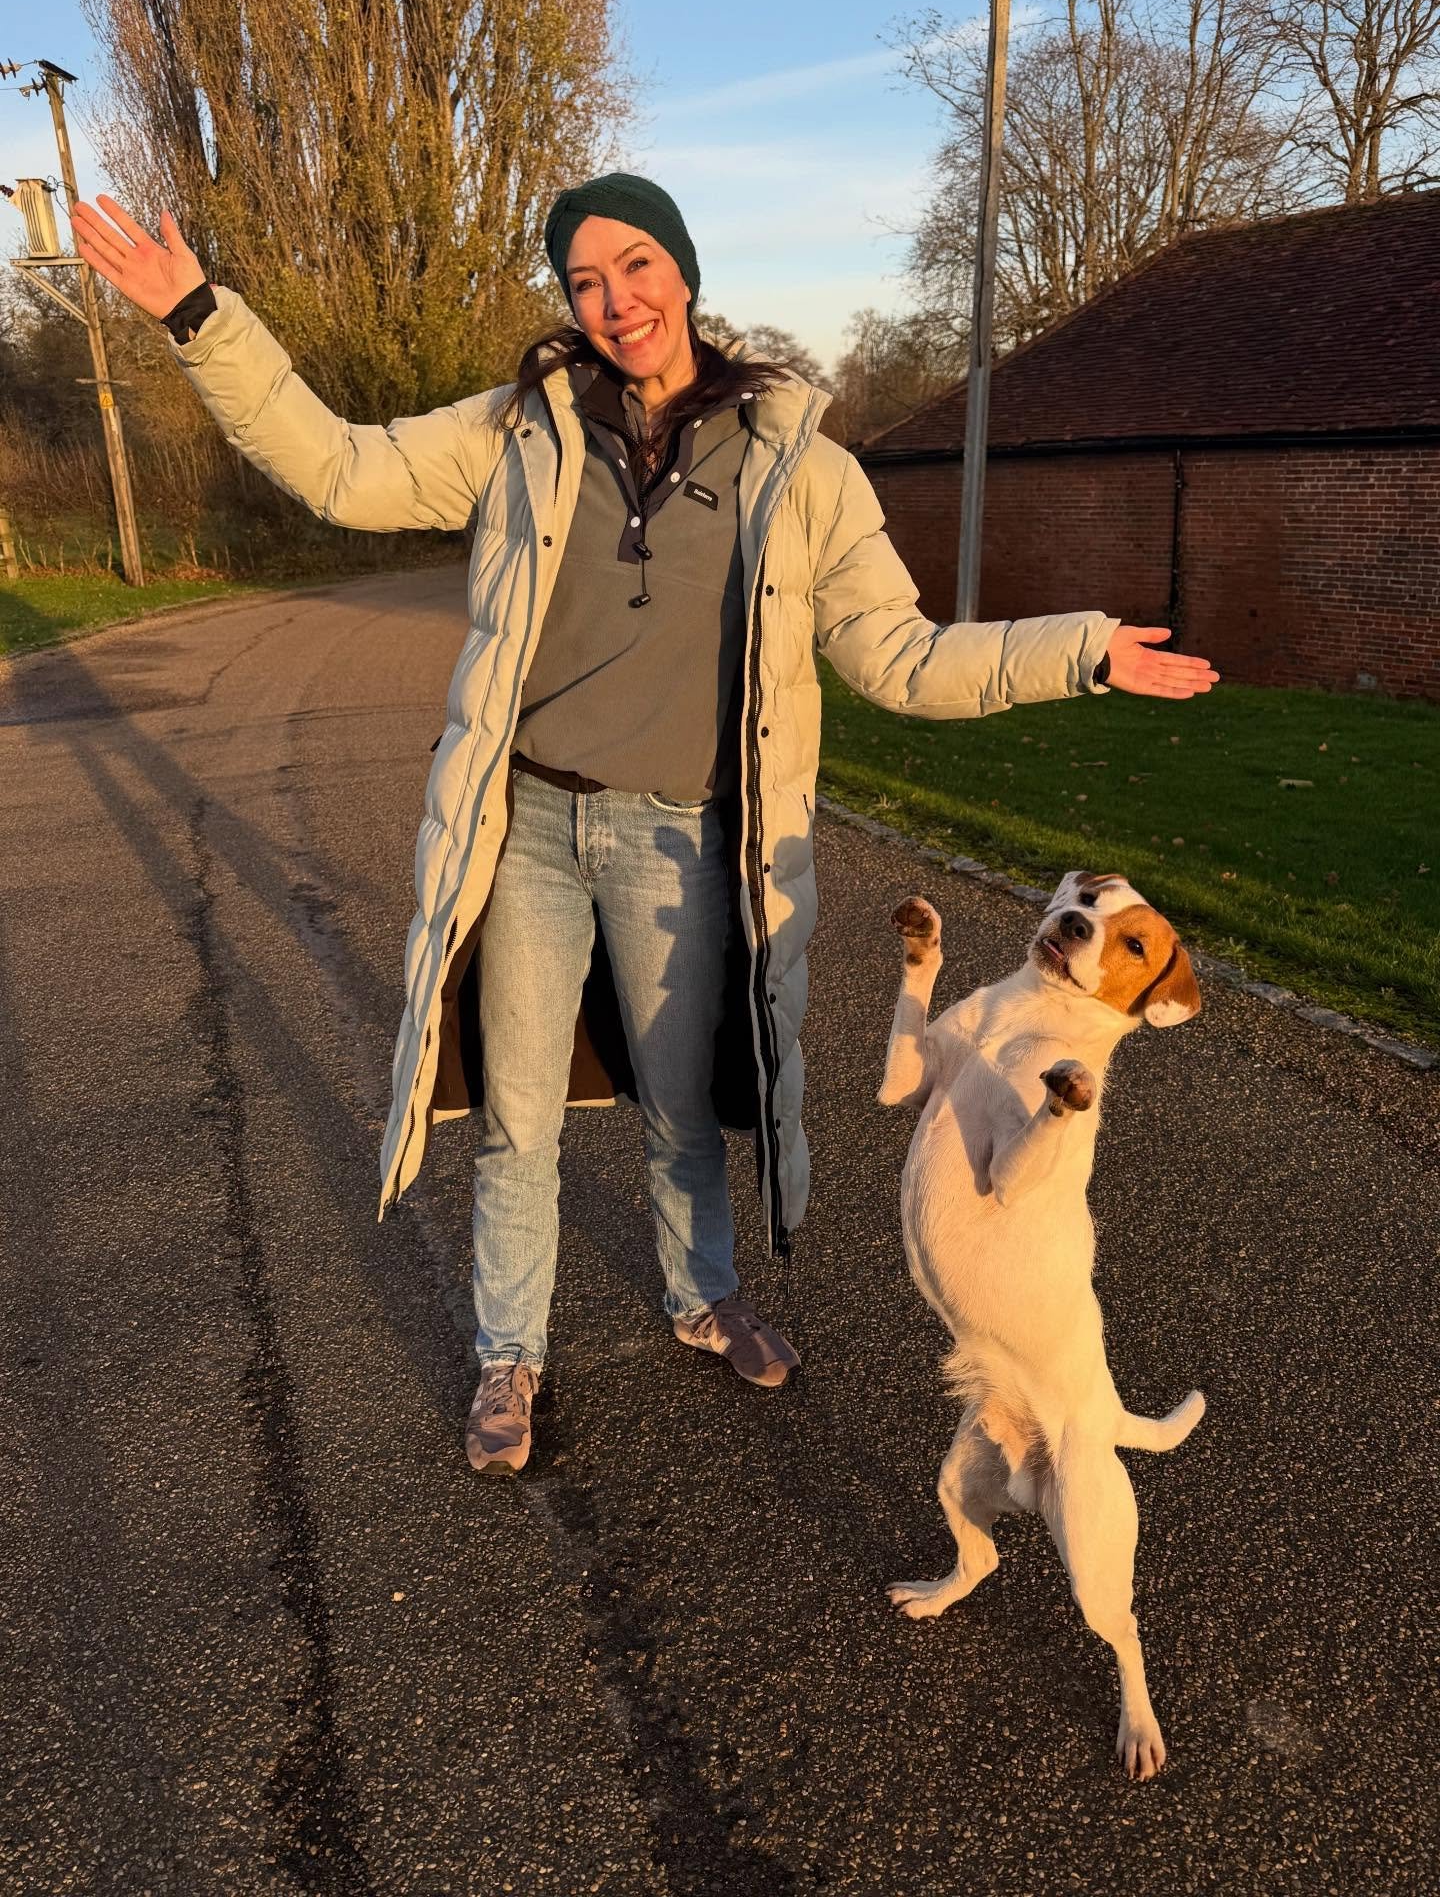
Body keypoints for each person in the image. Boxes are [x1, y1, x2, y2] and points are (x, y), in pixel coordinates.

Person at [72, 175, 1219, 1477]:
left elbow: (898, 658)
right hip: (535, 834)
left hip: (686, 841)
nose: (614, 301)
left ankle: (702, 1295)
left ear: (682, 268)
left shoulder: (801, 465)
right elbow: (340, 466)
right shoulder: (519, 429)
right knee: (517, 1116)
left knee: (683, 1104)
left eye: (634, 267)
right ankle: (511, 1359)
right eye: (582, 281)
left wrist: (1078, 652)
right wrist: (201, 317)